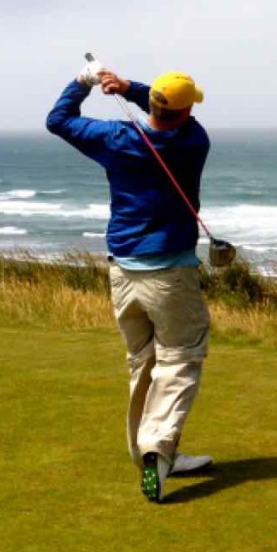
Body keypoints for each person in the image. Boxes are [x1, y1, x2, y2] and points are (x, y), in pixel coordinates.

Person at [46, 61, 214, 503]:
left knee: (143, 362)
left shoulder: (115, 139)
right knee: (179, 360)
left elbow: (58, 120)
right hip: (170, 275)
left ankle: (154, 457)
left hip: (122, 272)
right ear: (182, 111)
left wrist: (83, 82)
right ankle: (158, 451)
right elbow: (175, 120)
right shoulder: (194, 142)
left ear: (154, 105)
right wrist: (133, 89)